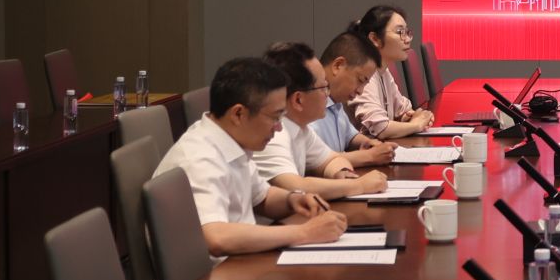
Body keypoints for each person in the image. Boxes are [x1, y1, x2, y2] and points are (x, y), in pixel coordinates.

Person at [154, 56, 348, 257]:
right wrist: (304, 233)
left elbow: (262, 197)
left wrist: (293, 200)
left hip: (242, 260)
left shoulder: (232, 140)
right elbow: (216, 238)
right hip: (218, 271)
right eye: (275, 117)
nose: (279, 127)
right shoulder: (200, 159)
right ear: (238, 114)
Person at [260, 42, 390, 200]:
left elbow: (332, 160)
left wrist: (342, 173)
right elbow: (295, 188)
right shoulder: (272, 134)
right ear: (298, 100)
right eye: (323, 88)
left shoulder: (300, 128)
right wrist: (359, 185)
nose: (328, 94)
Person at [309, 32, 398, 168]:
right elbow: (317, 161)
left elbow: (350, 136)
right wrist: (370, 156)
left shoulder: (335, 102)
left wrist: (370, 144)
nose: (360, 91)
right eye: (360, 80)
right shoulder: (309, 106)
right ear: (338, 65)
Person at [349, 5, 435, 139]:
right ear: (375, 39)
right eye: (400, 32)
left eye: (407, 32)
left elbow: (402, 109)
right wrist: (416, 125)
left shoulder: (384, 69)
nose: (407, 39)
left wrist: (411, 116)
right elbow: (380, 128)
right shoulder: (363, 75)